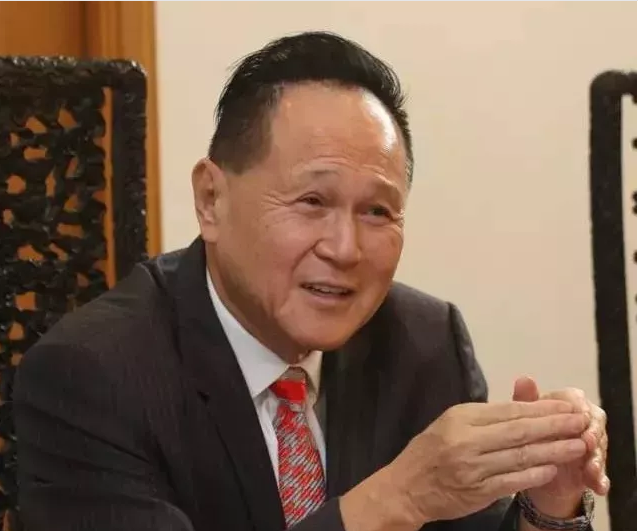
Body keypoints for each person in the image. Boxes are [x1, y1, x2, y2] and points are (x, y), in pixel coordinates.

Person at [13, 31, 608, 531]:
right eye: (311, 201)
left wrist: (549, 505)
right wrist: (397, 498)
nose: (344, 248)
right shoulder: (92, 376)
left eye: (377, 211)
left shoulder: (425, 344)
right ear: (211, 199)